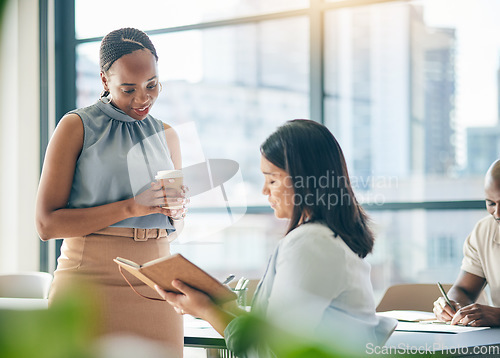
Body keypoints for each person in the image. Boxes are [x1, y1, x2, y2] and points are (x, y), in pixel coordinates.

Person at [155, 119, 396, 356]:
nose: (264, 190)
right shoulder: (323, 239)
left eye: (272, 179)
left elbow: (273, 349)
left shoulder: (311, 245)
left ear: (303, 181)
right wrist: (222, 307)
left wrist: (206, 309)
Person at [35, 28, 187, 354]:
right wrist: (132, 207)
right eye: (128, 89)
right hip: (88, 280)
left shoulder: (168, 135)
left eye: (152, 85)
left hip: (157, 281)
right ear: (105, 81)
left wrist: (175, 212)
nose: (142, 98)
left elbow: (173, 227)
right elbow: (46, 225)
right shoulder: (75, 127)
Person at [433, 159, 500, 327]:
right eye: (491, 203)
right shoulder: (484, 230)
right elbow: (463, 290)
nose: (497, 213)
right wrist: (454, 306)